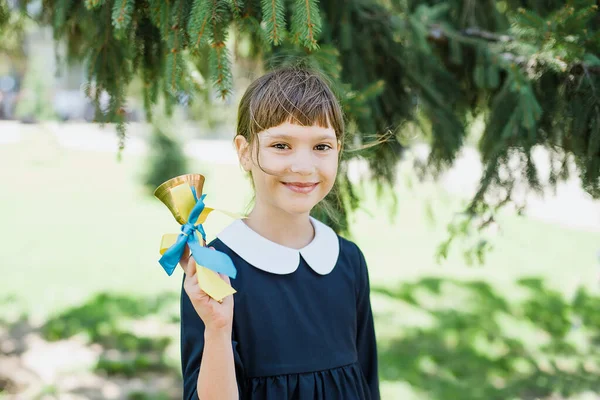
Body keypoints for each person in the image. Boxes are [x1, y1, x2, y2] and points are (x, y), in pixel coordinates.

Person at [179, 66, 380, 400]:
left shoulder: (348, 260)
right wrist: (217, 329)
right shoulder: (214, 269)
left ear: (338, 150)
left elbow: (367, 382)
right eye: (282, 144)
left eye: (321, 147)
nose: (303, 166)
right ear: (245, 152)